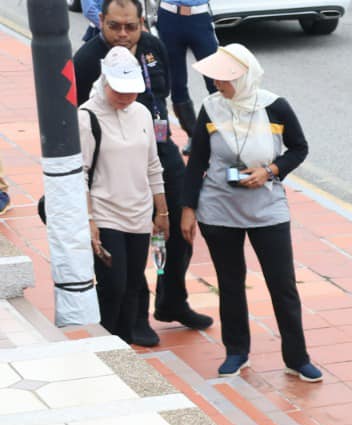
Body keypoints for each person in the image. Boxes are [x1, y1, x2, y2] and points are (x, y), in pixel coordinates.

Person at [73, 0, 212, 344]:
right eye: (114, 26)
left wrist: (194, 135)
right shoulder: (86, 61)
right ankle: (135, 315)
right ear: (101, 21)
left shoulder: (153, 47)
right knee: (128, 243)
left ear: (141, 24)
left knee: (181, 223)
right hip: (110, 156)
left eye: (130, 27)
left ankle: (173, 300)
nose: (122, 34)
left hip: (155, 144)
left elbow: (170, 95)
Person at [180, 45, 321, 381]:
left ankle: (297, 357)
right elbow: (198, 159)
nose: (217, 84)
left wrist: (271, 171)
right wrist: (188, 207)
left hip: (267, 208)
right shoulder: (211, 109)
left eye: (225, 78)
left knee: (282, 284)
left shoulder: (275, 106)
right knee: (230, 283)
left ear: (245, 76)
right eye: (214, 77)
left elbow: (299, 148)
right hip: (219, 209)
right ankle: (236, 351)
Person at [81, 47, 168, 348]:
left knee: (133, 286)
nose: (126, 97)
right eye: (119, 90)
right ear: (104, 81)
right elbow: (79, 175)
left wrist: (162, 211)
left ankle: (124, 345)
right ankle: (104, 347)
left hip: (139, 214)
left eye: (132, 91)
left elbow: (153, 165)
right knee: (112, 286)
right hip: (106, 214)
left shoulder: (142, 113)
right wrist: (90, 220)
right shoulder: (87, 117)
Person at [153, 0, 220, 141]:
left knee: (215, 80)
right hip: (169, 17)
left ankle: (220, 133)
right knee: (176, 84)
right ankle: (193, 136)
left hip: (199, 16)